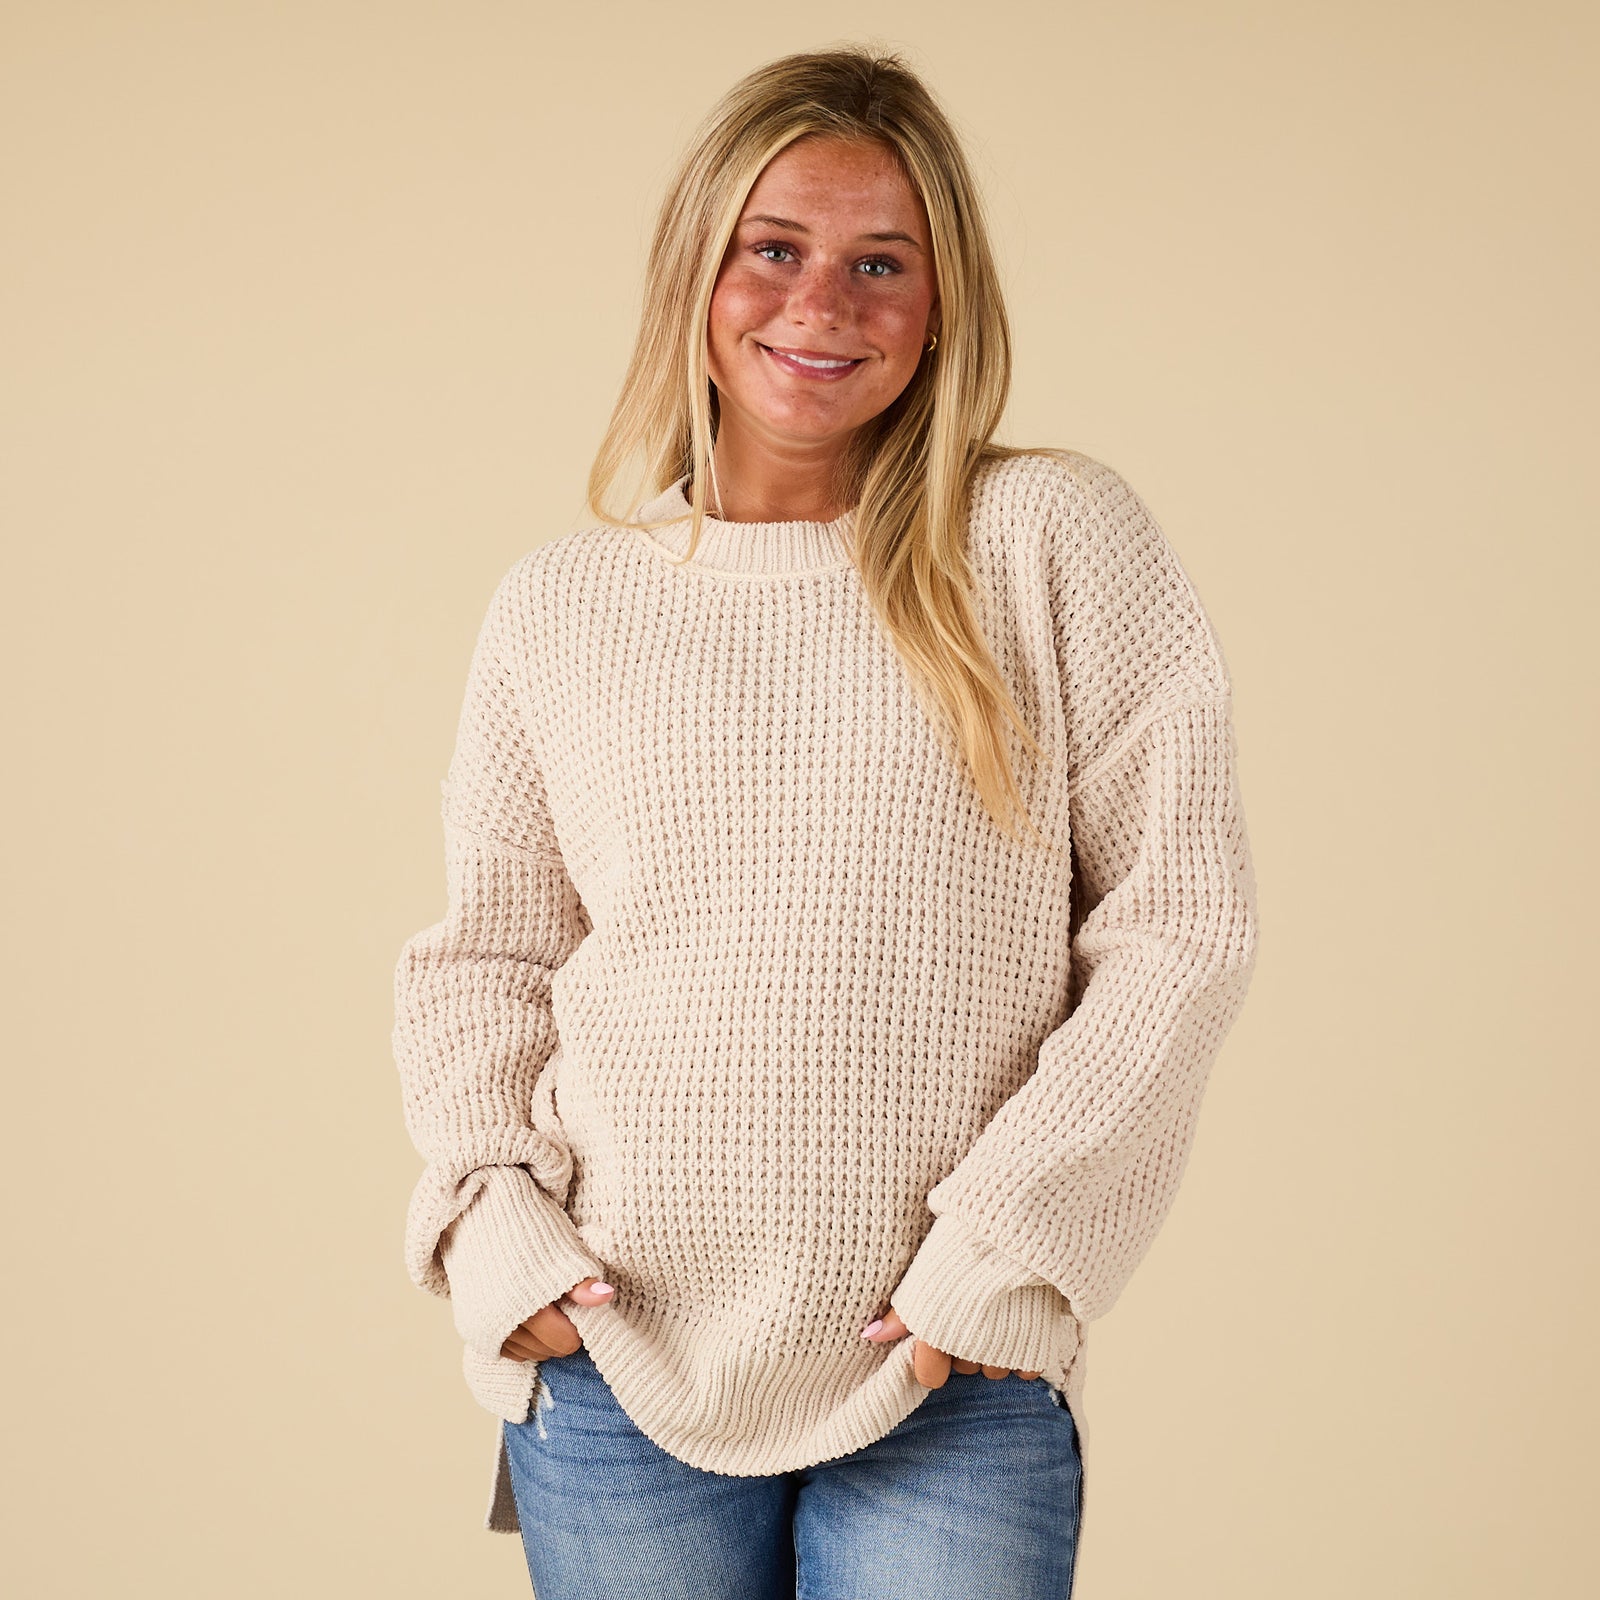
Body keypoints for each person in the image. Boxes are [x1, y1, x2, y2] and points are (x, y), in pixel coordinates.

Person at [392, 43, 1259, 1600]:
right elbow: (488, 960)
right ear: (695, 277)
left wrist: (1005, 1248)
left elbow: (1176, 932)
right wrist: (491, 1224)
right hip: (616, 1355)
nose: (823, 305)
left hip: (955, 1364)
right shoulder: (562, 607)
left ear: (945, 306)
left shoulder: (1051, 540)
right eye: (774, 252)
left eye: (883, 264)